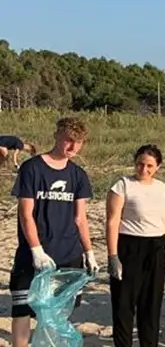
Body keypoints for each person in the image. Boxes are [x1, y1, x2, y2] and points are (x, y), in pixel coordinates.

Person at [9, 117, 99, 347]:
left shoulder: (78, 175)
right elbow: (26, 213)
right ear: (57, 136)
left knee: (56, 313)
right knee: (21, 309)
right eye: (69, 140)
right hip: (33, 255)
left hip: (68, 253)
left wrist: (89, 251)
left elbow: (80, 218)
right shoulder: (33, 168)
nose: (73, 147)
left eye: (79, 143)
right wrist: (36, 250)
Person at [106, 145, 165, 347]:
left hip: (156, 247)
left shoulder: (161, 187)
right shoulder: (123, 185)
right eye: (140, 164)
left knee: (151, 303)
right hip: (129, 246)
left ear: (157, 166)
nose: (144, 169)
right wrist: (113, 256)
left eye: (149, 165)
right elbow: (113, 221)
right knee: (124, 303)